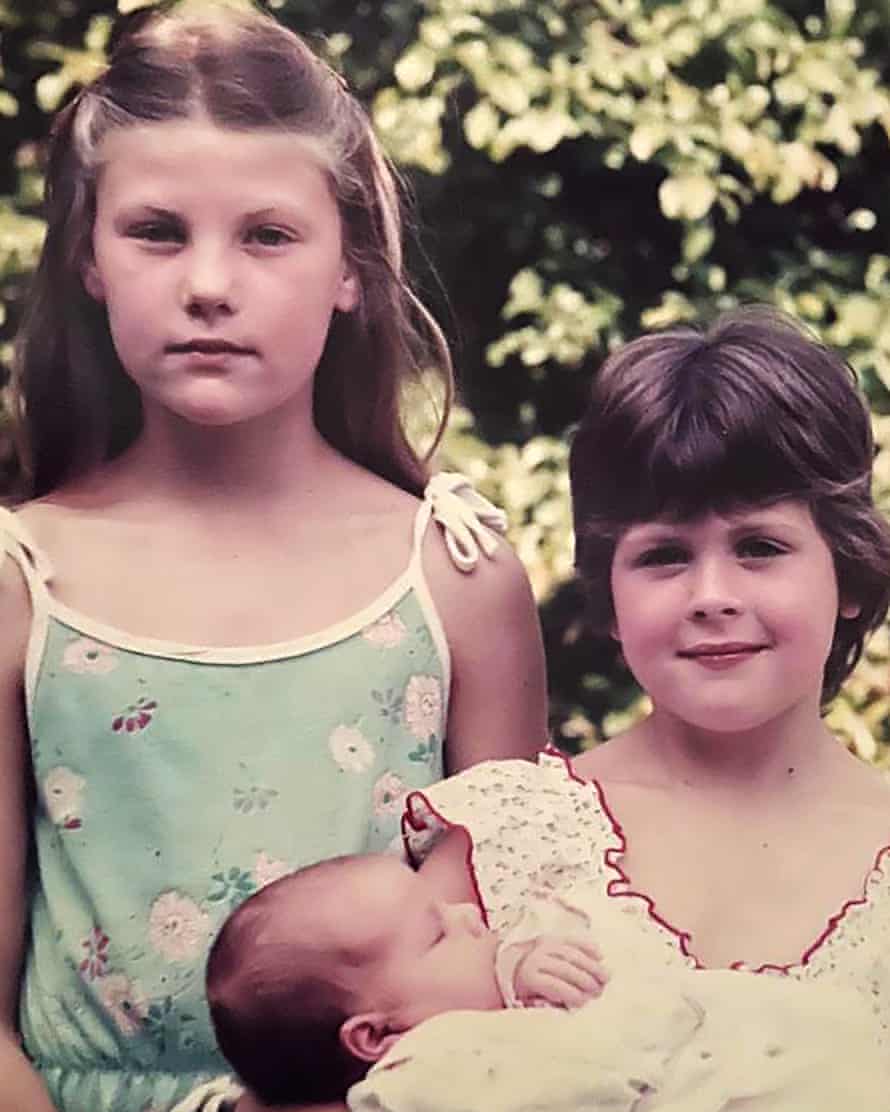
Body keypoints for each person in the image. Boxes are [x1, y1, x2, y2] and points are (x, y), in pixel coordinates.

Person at [0, 5, 547, 1111]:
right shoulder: (21, 584)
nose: (209, 282)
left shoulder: (454, 577)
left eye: (266, 234)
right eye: (156, 230)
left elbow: (497, 980)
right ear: (90, 262)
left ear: (349, 269)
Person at [397, 307, 890, 1054]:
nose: (711, 595)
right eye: (664, 555)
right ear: (611, 596)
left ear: (848, 571)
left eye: (759, 546)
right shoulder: (508, 838)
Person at [177, 851, 886, 1112]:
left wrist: (521, 975)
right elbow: (595, 1067)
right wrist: (628, 1010)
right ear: (375, 1037)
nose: (466, 913)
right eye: (436, 932)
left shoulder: (460, 1021)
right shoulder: (426, 1073)